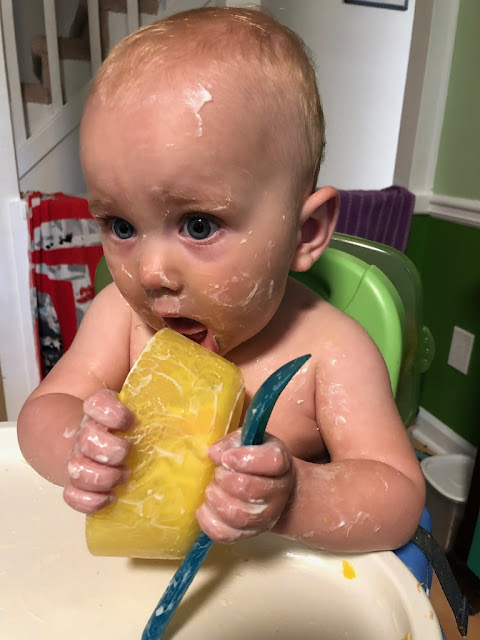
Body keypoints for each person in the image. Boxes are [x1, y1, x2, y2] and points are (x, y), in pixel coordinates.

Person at [17, 7, 425, 552]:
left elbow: (397, 498)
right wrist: (77, 447)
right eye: (121, 226)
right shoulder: (121, 316)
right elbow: (40, 414)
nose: (150, 272)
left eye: (199, 225)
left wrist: (297, 496)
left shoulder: (332, 353)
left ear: (304, 233)